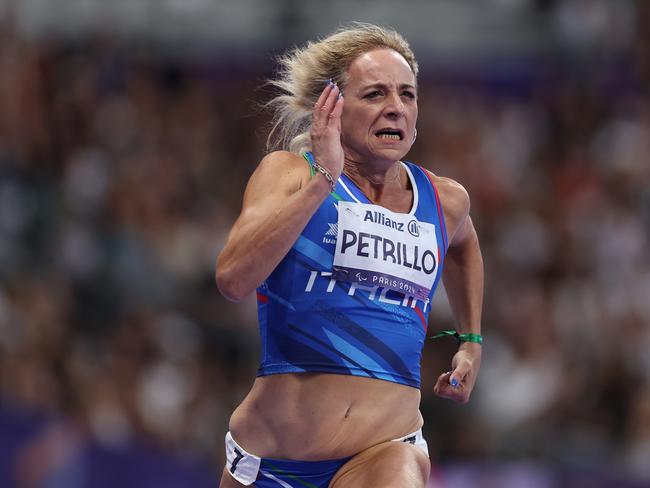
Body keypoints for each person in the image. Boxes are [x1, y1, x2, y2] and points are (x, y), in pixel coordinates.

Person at [216, 23, 484, 488]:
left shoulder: (445, 201)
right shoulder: (289, 176)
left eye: (407, 94)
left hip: (385, 449)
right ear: (333, 106)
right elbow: (233, 280)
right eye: (375, 94)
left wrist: (471, 342)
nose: (396, 108)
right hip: (271, 462)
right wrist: (323, 180)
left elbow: (465, 249)